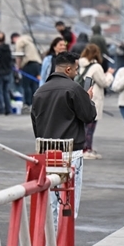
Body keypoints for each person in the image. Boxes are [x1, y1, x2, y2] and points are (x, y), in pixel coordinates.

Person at [31, 52, 96, 221]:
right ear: (68, 69)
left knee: (51, 204)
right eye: (75, 69)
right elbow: (89, 116)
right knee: (68, 205)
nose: (76, 73)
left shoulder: (39, 91)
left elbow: (35, 124)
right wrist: (88, 100)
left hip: (47, 153)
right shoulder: (74, 89)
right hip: (70, 152)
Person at [78, 44, 113, 159]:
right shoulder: (96, 67)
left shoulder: (79, 65)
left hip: (80, 98)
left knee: (82, 126)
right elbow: (104, 83)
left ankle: (81, 148)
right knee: (90, 127)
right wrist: (109, 75)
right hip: (93, 99)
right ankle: (87, 149)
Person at [11, 32, 42, 107]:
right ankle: (35, 103)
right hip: (37, 64)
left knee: (26, 85)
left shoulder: (19, 41)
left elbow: (18, 55)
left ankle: (28, 103)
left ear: (14, 38)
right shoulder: (29, 41)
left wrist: (18, 66)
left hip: (28, 64)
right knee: (34, 85)